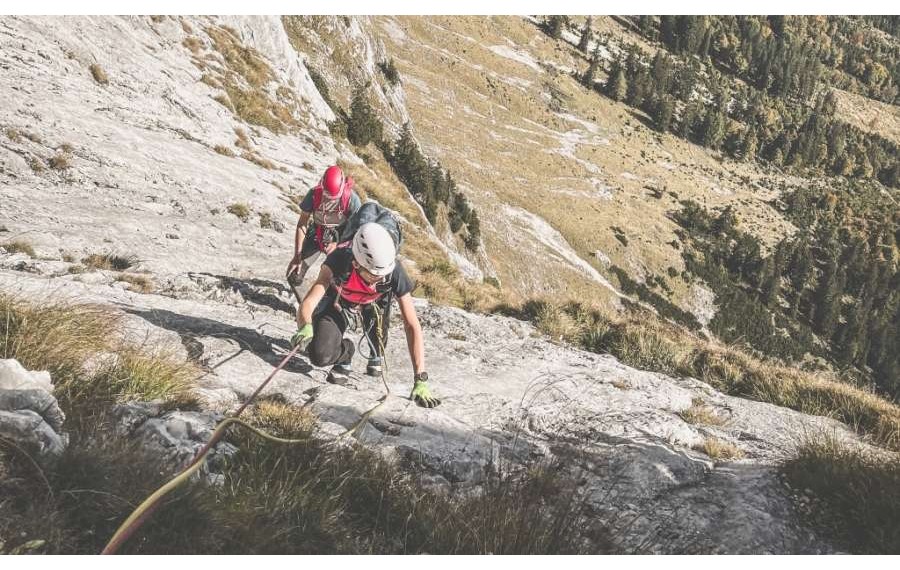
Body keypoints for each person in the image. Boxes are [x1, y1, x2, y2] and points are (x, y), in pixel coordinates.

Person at [291, 222, 441, 408]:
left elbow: (411, 325)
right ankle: (346, 354)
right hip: (339, 301)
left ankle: (375, 353)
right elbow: (310, 301)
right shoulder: (338, 259)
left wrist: (421, 379)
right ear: (356, 263)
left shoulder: (393, 271)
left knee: (378, 347)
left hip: (373, 305)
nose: (377, 280)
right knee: (319, 355)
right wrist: (305, 325)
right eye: (372, 276)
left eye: (381, 276)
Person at [286, 165, 362, 328]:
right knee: (294, 275)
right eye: (327, 197)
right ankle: (307, 309)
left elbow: (357, 230)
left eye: (333, 198)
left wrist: (339, 245)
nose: (329, 201)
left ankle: (341, 312)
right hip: (318, 233)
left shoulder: (351, 199)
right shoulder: (314, 195)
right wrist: (298, 255)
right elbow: (302, 223)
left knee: (340, 278)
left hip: (341, 235)